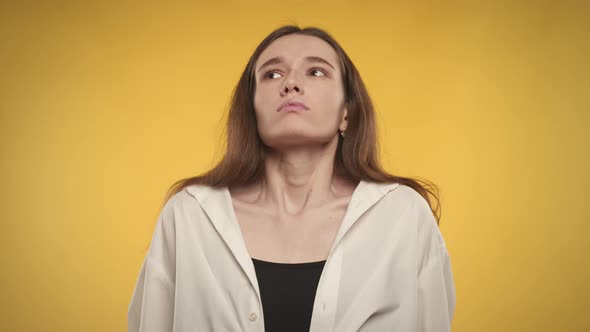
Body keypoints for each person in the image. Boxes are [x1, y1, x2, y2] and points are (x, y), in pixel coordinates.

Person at [128, 25, 456, 332]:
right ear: (252, 109)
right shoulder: (189, 216)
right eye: (272, 74)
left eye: (316, 71)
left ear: (347, 113)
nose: (291, 83)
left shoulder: (404, 215)